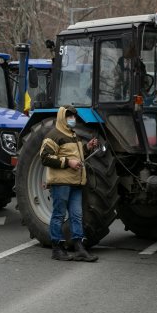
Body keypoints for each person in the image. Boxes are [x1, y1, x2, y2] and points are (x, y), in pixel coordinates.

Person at [40, 105, 99, 262]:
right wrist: (68, 162)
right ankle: (57, 249)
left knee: (76, 215)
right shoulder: (53, 136)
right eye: (69, 116)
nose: (72, 119)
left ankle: (79, 248)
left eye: (73, 116)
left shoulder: (74, 135)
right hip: (61, 182)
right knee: (59, 214)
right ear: (62, 117)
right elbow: (45, 157)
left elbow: (76, 156)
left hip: (76, 182)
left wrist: (87, 147)